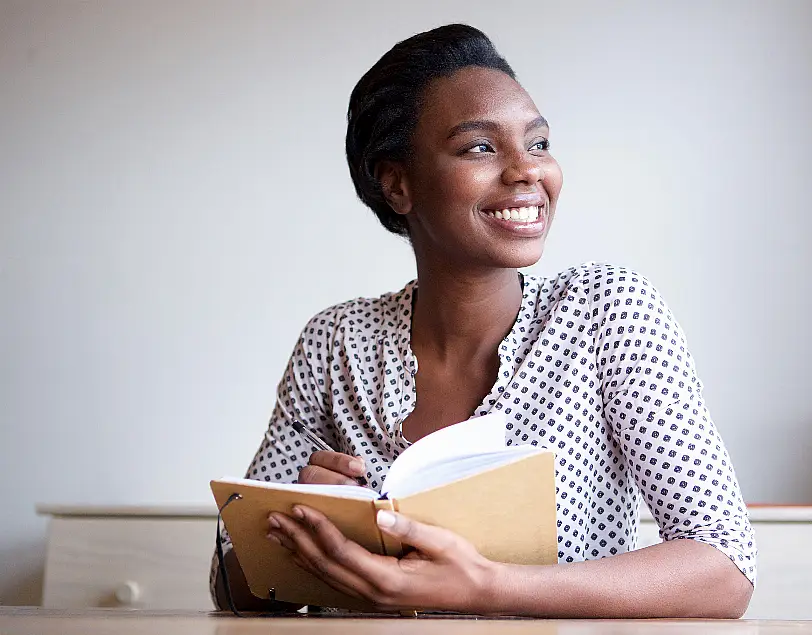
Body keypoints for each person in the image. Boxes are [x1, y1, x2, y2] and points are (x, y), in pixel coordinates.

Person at [211, 23, 756, 618]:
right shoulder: (335, 342)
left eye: (539, 143)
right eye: (480, 147)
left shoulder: (607, 312)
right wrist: (292, 531)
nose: (528, 171)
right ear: (398, 184)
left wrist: (484, 586)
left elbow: (723, 569)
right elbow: (231, 585)